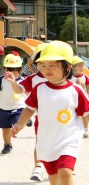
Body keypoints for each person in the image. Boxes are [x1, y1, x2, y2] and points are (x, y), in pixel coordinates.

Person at [12, 40, 89, 185]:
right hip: (47, 141)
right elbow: (29, 108)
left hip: (68, 140)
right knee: (53, 177)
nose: (47, 69)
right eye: (43, 65)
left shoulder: (75, 91)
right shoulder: (39, 89)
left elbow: (86, 112)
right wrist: (20, 124)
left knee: (65, 172)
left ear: (67, 66)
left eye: (53, 65)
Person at [6, 43, 48, 181]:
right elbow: (19, 90)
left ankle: (64, 167)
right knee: (40, 143)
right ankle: (38, 167)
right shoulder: (34, 78)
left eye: (49, 63)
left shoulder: (62, 78)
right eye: (41, 63)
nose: (44, 67)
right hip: (42, 118)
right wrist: (13, 82)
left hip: (62, 120)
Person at [0, 53, 28, 154]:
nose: (11, 72)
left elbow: (28, 91)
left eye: (14, 70)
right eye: (8, 69)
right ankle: (7, 144)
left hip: (18, 107)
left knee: (18, 123)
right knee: (5, 129)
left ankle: (25, 121)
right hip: (3, 108)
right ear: (4, 69)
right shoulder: (1, 79)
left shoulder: (22, 80)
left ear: (20, 70)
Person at [70, 55, 89, 138]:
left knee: (85, 114)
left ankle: (86, 128)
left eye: (82, 65)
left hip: (84, 99)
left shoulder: (85, 77)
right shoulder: (70, 78)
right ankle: (77, 129)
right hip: (73, 99)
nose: (81, 67)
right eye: (73, 66)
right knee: (77, 115)